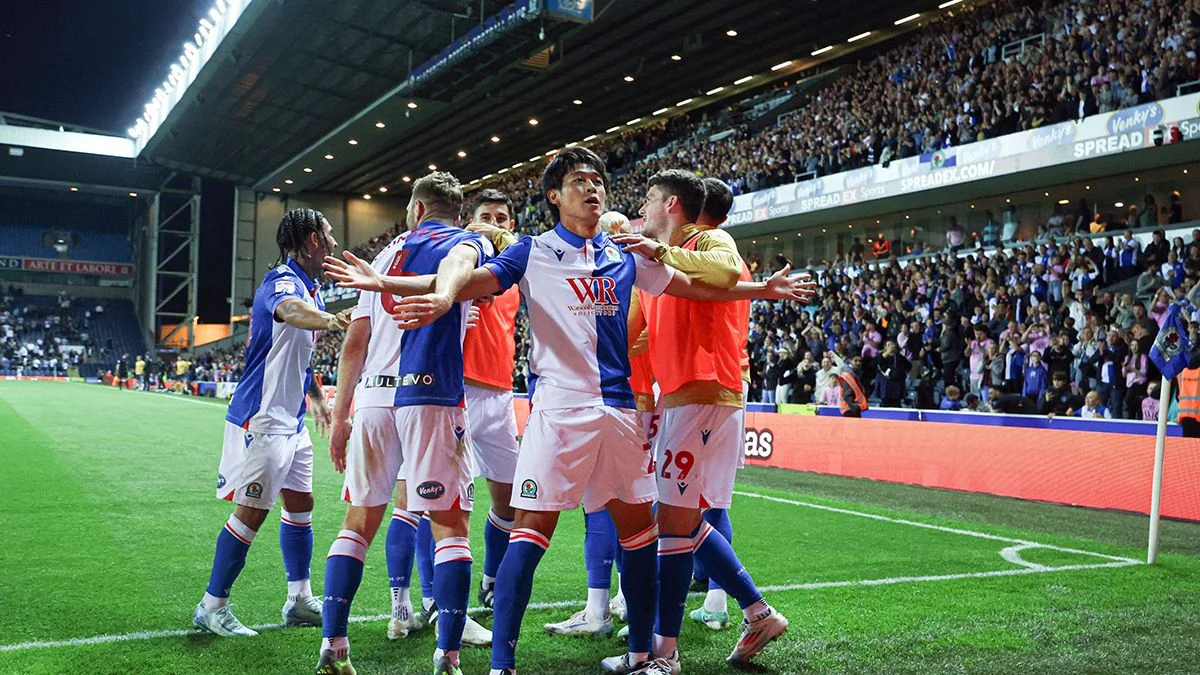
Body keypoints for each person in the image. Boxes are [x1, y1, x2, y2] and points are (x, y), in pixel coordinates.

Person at [323, 146, 813, 675]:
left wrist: (762, 289)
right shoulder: (532, 251)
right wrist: (392, 286)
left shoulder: (627, 252)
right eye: (580, 180)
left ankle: (645, 655)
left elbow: (694, 288)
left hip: (622, 413)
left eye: (598, 179)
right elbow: (465, 281)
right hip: (558, 413)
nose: (594, 188)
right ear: (555, 195)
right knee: (530, 532)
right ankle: (503, 663)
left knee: (638, 532)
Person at [614, 169, 791, 672]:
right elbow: (636, 339)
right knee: (681, 521)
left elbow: (725, 275)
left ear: (671, 204)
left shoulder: (709, 239)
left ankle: (663, 652)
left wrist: (660, 252)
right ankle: (756, 612)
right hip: (681, 399)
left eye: (648, 199)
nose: (641, 210)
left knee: (673, 522)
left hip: (705, 393)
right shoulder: (655, 272)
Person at [318, 174, 492, 675]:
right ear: (457, 213)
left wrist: (339, 414)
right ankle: (448, 655)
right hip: (430, 396)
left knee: (358, 523)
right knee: (450, 528)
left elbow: (356, 342)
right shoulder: (466, 242)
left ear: (415, 210)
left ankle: (334, 644)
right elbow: (456, 279)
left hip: (373, 401)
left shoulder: (383, 257)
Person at [193, 208, 348, 639]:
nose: (334, 243)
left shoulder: (312, 288)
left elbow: (297, 356)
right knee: (251, 515)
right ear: (313, 240)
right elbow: (290, 312)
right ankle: (212, 606)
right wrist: (335, 319)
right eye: (329, 235)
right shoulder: (281, 281)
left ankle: (298, 599)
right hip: (261, 420)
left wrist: (315, 395)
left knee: (301, 507)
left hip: (291, 422)